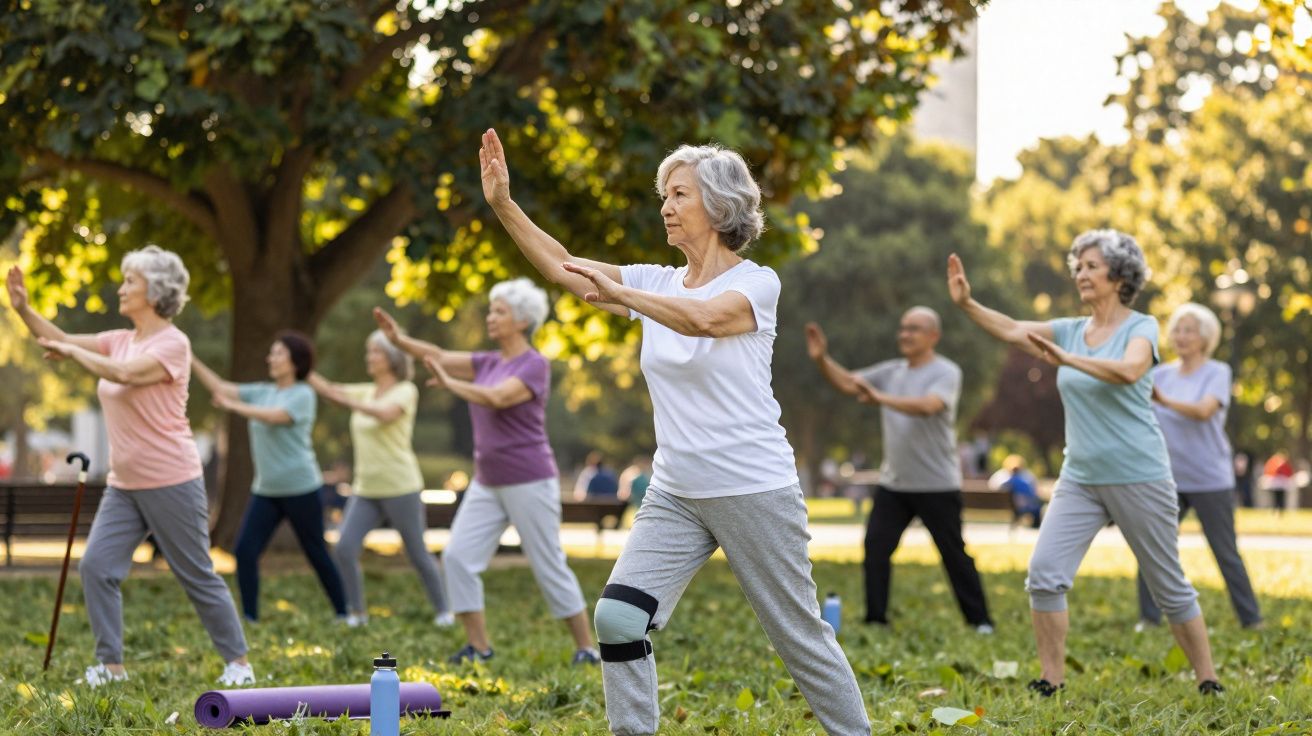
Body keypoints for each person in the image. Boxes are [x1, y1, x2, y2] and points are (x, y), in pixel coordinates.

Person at [480, 129, 870, 735]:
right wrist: (505, 204)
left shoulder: (756, 283)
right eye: (664, 193)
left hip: (752, 486)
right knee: (617, 619)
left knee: (798, 638)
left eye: (679, 193)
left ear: (718, 206)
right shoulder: (655, 283)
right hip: (674, 492)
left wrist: (620, 291)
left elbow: (705, 321)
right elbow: (565, 268)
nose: (665, 204)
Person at [947, 229, 1223, 696]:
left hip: (1140, 473)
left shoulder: (1141, 327)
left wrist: (1068, 359)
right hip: (1081, 477)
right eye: (1078, 266)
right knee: (1044, 575)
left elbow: (1130, 371)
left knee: (1168, 586)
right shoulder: (1071, 330)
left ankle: (1208, 679)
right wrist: (968, 305)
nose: (1081, 273)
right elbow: (1015, 329)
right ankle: (1050, 679)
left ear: (1119, 275)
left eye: (1092, 266)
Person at [5, 248, 254, 687]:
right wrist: (24, 309)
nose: (121, 289)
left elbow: (122, 374)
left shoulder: (172, 344)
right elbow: (58, 336)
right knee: (97, 567)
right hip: (125, 484)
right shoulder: (121, 339)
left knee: (195, 573)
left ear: (156, 292)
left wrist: (70, 351)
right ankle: (112, 666)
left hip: (171, 479)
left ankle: (239, 664)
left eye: (130, 282)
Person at [374, 281, 600, 666]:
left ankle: (586, 648)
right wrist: (400, 340)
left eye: (499, 311)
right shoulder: (488, 363)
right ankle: (479, 648)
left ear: (523, 320)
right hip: (487, 480)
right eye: (491, 310)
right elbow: (440, 355)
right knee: (459, 557)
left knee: (548, 564)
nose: (490, 317)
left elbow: (498, 398)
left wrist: (451, 384)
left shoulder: (534, 365)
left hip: (529, 479)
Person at [806, 310, 994, 633]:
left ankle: (981, 622)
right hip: (895, 483)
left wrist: (879, 397)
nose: (905, 334)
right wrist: (823, 359)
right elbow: (850, 383)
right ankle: (876, 619)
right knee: (876, 547)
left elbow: (929, 406)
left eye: (915, 329)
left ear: (933, 335)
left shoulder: (946, 372)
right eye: (903, 328)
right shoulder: (892, 371)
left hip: (936, 484)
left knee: (953, 555)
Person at [191, 332, 348, 624]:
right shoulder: (262, 391)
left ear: (294, 361)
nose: (270, 358)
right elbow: (221, 387)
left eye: (277, 353)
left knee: (316, 552)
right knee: (245, 551)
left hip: (301, 487)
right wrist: (190, 358)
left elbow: (275, 417)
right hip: (266, 490)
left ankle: (343, 613)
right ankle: (250, 617)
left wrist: (233, 407)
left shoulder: (303, 394)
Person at [1131, 302, 1261, 630]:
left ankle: (1251, 619)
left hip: (1210, 478)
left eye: (1189, 330)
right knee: (1153, 547)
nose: (1181, 336)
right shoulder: (1159, 374)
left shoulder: (1217, 372)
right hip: (1166, 478)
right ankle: (1149, 617)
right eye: (1177, 329)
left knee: (1225, 552)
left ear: (1205, 338)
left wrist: (1164, 401)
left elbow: (1204, 411)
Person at [309, 331, 452, 627]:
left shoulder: (405, 391)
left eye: (375, 352)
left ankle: (444, 612)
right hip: (366, 489)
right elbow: (331, 389)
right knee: (345, 547)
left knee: (417, 554)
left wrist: (349, 402)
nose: (369, 357)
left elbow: (385, 414)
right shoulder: (366, 391)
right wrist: (302, 368)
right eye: (369, 351)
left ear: (392, 358)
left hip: (401, 486)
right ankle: (358, 614)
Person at [993, 455, 1043, 531]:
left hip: (1003, 505)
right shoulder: (1025, 479)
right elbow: (1033, 493)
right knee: (1037, 507)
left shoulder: (1000, 477)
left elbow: (993, 486)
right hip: (1021, 506)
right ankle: (1036, 527)